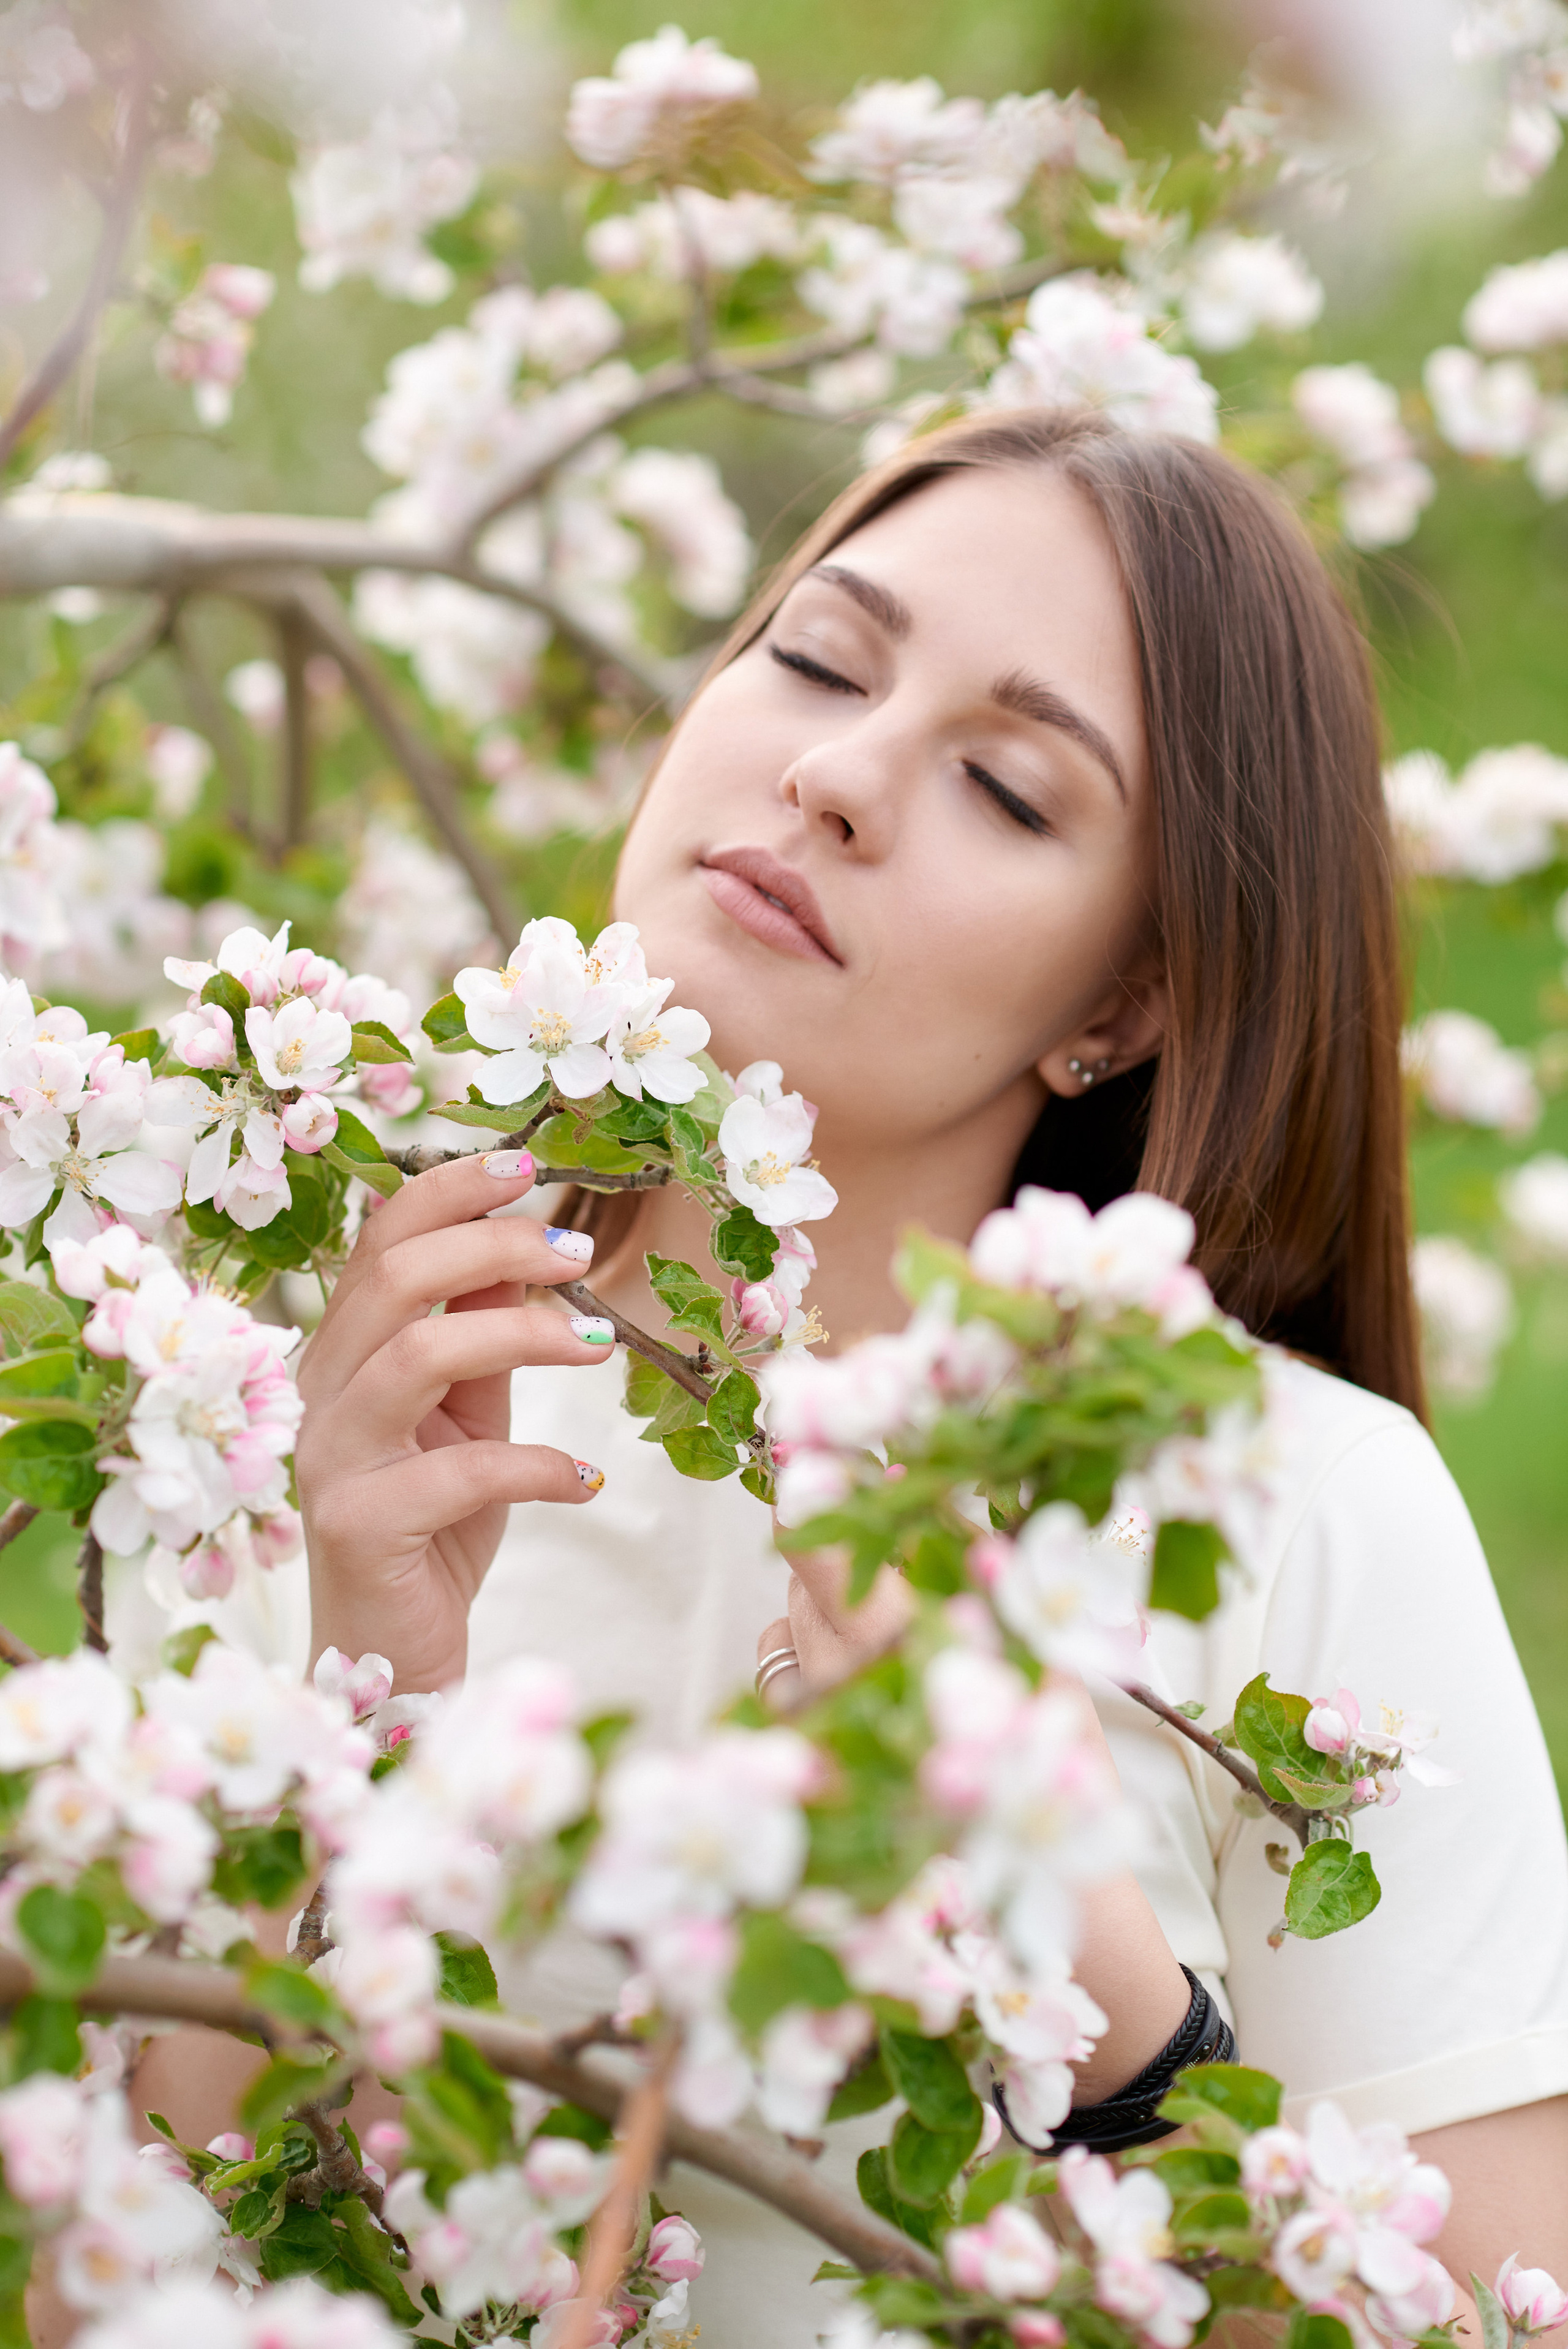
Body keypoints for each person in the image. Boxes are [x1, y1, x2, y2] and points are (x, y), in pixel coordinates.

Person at [138, 411, 1568, 2340]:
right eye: (818, 657)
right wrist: (363, 1693)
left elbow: (1488, 2314)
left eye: (1005, 782)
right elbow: (107, 2275)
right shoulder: (319, 1398)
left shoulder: (1295, 1499)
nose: (832, 775)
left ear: (1122, 1002)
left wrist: (1089, 1966)